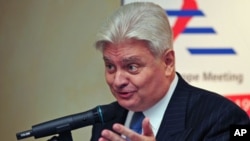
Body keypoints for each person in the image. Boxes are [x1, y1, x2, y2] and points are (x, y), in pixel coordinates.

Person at [90, 2, 250, 141]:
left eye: (131, 67)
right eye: (110, 66)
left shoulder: (223, 118)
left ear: (168, 62)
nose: (118, 81)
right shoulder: (106, 120)